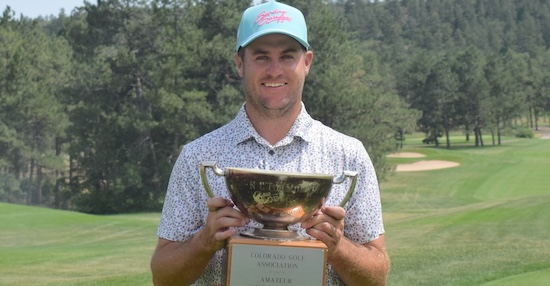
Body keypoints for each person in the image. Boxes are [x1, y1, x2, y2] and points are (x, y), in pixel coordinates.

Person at [150, 1, 390, 285]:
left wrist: (337, 246)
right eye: (261, 57)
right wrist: (204, 241)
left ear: (307, 63)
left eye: (287, 56)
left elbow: (377, 278)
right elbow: (163, 277)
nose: (274, 70)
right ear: (240, 64)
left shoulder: (348, 155)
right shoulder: (197, 157)